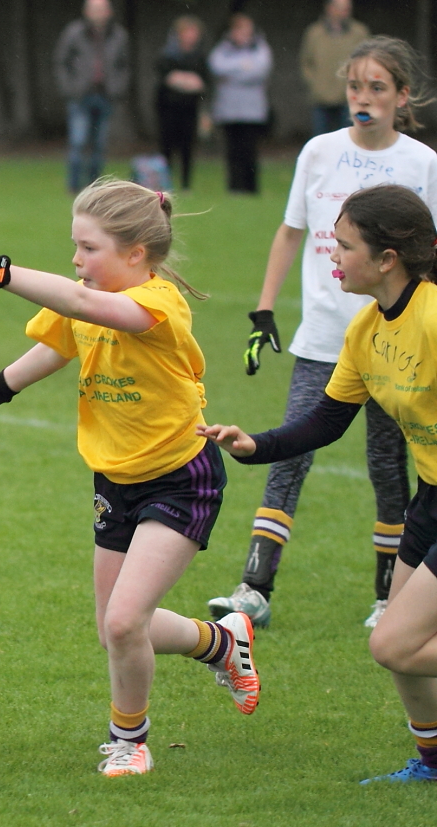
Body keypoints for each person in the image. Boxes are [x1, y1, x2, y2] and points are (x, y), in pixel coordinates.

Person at [0, 179, 259, 778]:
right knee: (114, 626)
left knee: (123, 621)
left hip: (179, 476)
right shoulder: (89, 292)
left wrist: (1, 274)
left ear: (136, 253)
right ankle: (221, 643)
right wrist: (3, 384)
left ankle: (129, 741)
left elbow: (86, 309)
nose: (76, 262)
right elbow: (65, 339)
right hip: (114, 480)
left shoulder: (159, 305)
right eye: (75, 247)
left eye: (88, 248)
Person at [201, 184, 437, 784]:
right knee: (398, 645)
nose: (331, 253)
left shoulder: (433, 317)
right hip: (429, 499)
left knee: (393, 647)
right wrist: (254, 445)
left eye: (345, 244)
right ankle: (433, 765)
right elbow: (326, 423)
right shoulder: (365, 330)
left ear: (388, 259)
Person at [208, 36, 437, 630]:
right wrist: (264, 312)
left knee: (389, 468)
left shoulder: (422, 166)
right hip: (328, 339)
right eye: (354, 86)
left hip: (405, 358)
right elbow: (290, 232)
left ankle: (390, 593)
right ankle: (255, 587)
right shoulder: (318, 153)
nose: (362, 99)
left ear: (400, 96)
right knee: (295, 454)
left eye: (376, 88)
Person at [53, 0, 129, 194]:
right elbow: (62, 62)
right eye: (94, 9)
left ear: (109, 11)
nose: (98, 13)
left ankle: (94, 187)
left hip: (105, 95)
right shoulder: (73, 33)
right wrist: (70, 88)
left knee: (99, 144)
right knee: (78, 142)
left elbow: (124, 65)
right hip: (80, 96)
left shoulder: (119, 35)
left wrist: (117, 88)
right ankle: (73, 185)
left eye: (101, 9)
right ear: (86, 11)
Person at [208, 13, 272, 194]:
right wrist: (243, 66)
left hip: (252, 112)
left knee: (249, 151)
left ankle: (251, 188)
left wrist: (233, 74)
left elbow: (260, 70)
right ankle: (234, 187)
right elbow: (216, 66)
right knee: (232, 152)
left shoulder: (260, 48)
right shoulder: (223, 48)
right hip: (229, 110)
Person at [155, 15, 209, 191]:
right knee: (167, 147)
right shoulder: (167, 54)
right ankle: (165, 183)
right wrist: (186, 81)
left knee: (188, 146)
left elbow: (203, 83)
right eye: (188, 32)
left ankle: (186, 185)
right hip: (168, 108)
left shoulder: (200, 56)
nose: (192, 35)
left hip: (190, 108)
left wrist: (182, 80)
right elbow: (166, 78)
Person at [301, 0, 370, 137]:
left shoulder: (359, 32)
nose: (345, 12)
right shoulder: (314, 33)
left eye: (347, 9)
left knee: (348, 139)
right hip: (321, 97)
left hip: (349, 97)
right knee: (320, 140)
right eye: (341, 8)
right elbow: (306, 62)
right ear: (329, 9)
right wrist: (315, 85)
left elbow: (367, 61)